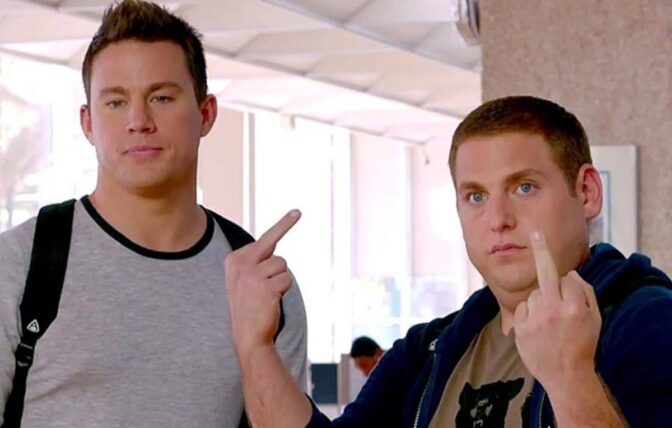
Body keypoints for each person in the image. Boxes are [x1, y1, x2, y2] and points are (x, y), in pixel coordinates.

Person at [225, 95, 672, 427]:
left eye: (524, 187)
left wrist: (571, 378)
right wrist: (254, 344)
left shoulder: (648, 321)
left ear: (587, 192)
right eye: (476, 196)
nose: (498, 219)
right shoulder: (429, 351)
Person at [0, 1, 307, 427]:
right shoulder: (21, 265)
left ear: (206, 114)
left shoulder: (260, 283)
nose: (138, 120)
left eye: (161, 97)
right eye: (115, 102)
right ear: (88, 123)